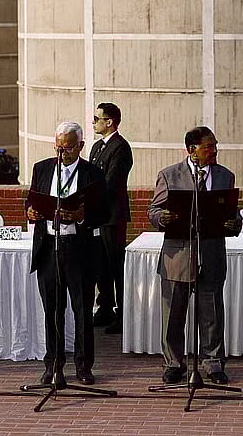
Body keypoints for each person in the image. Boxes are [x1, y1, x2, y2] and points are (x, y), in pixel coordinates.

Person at [148, 126, 243, 384]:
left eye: (215, 145)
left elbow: (233, 212)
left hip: (211, 255)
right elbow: (154, 210)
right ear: (192, 150)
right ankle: (174, 364)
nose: (214, 151)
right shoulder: (169, 176)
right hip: (178, 257)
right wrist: (162, 218)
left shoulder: (225, 176)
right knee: (173, 316)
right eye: (209, 146)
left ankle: (213, 363)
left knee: (211, 314)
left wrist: (236, 222)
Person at [27, 121, 107, 386]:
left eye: (68, 149)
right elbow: (32, 200)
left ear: (81, 146)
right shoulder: (42, 168)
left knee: (82, 310)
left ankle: (83, 366)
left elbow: (104, 213)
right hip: (49, 246)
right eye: (58, 148)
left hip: (79, 248)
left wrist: (80, 216)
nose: (62, 154)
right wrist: (31, 212)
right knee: (52, 310)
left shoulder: (92, 173)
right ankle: (53, 365)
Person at [89, 102, 133, 335]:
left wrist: (91, 197)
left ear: (110, 122)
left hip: (112, 216)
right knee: (100, 264)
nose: (94, 122)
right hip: (97, 216)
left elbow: (111, 181)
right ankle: (104, 306)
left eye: (97, 119)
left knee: (116, 264)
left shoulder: (120, 147)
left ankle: (122, 312)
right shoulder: (97, 147)